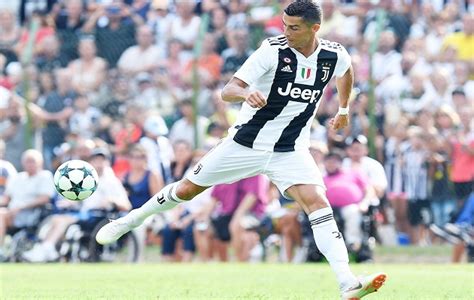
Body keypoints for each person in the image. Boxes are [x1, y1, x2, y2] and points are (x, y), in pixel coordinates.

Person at [96, 1, 386, 298]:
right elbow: (228, 90)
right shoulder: (271, 51)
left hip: (290, 149)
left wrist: (344, 107)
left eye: (294, 27)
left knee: (317, 202)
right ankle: (128, 221)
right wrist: (247, 92)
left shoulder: (333, 54)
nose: (285, 32)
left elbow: (346, 71)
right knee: (185, 191)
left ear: (315, 29)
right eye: (284, 25)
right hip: (245, 144)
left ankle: (347, 282)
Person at [0, 149, 55, 261]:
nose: (30, 164)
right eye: (27, 161)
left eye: (32, 161)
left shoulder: (45, 176)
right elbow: (6, 198)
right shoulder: (17, 178)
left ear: (40, 162)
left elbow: (44, 198)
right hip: (11, 213)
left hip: (31, 214)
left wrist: (21, 207)